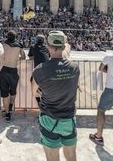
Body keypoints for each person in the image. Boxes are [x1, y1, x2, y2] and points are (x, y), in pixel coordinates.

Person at [32, 31, 80, 161]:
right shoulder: (75, 67)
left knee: (52, 156)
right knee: (71, 155)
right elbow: (64, 58)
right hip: (68, 118)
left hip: (49, 118)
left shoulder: (39, 70)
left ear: (48, 46)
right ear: (65, 47)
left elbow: (34, 92)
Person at [0, 30, 25, 122]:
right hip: (13, 70)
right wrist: (15, 57)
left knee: (5, 94)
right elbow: (23, 57)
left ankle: (7, 114)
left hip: (4, 70)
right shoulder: (19, 45)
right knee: (13, 91)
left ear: (7, 36)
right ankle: (10, 108)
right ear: (15, 37)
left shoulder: (2, 45)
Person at [89, 53, 113, 146]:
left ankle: (98, 137)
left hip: (110, 89)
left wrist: (110, 70)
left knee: (101, 111)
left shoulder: (109, 57)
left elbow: (101, 68)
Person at [28, 34, 50, 105]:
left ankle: (40, 104)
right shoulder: (47, 48)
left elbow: (30, 57)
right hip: (47, 72)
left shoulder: (33, 47)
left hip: (38, 72)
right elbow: (48, 57)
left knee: (33, 87)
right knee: (44, 90)